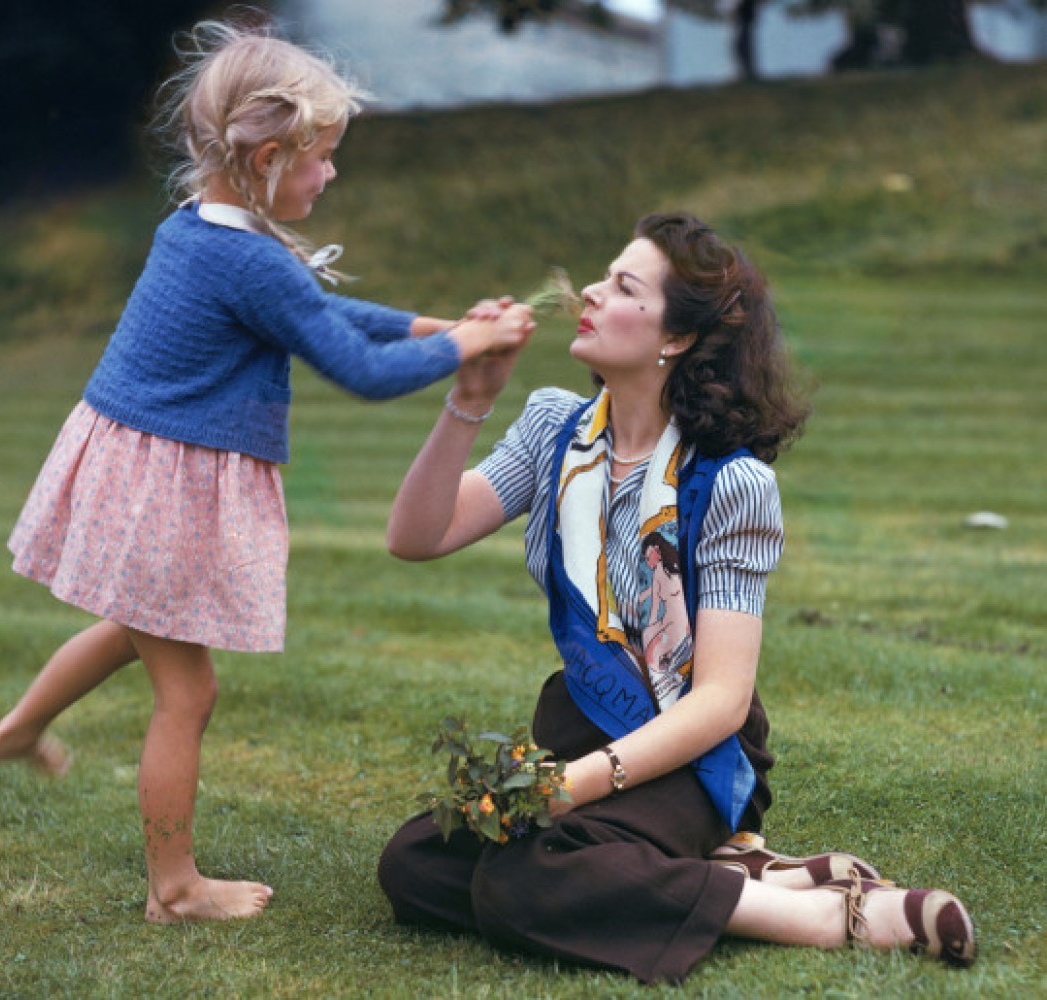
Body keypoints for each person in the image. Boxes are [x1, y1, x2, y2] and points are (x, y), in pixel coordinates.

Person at [0, 18, 533, 924]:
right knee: (188, 690)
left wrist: (430, 324)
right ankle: (175, 888)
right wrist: (463, 346)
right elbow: (359, 370)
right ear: (268, 157)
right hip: (163, 479)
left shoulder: (203, 225)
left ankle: (17, 729)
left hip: (143, 466)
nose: (332, 173)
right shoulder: (245, 259)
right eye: (321, 157)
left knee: (131, 627)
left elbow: (319, 308)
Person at [377, 212, 975, 982]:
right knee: (414, 864)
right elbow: (416, 536)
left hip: (694, 748)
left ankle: (822, 914)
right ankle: (742, 873)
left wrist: (574, 788)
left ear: (677, 340)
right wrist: (469, 398)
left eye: (623, 286)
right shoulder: (554, 429)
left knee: (525, 879)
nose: (590, 291)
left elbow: (721, 701)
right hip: (580, 722)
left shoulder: (729, 483)